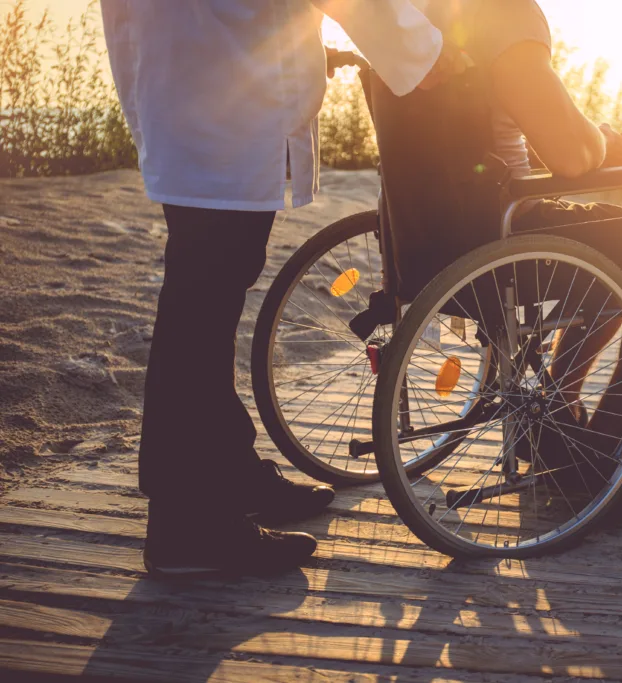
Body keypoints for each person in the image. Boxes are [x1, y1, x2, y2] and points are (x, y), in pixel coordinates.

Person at [99, 0, 464, 577]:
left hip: (193, 82)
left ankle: (224, 475)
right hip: (220, 96)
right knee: (201, 304)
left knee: (207, 294)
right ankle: (189, 526)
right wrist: (422, 52)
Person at [373, 0, 622, 471]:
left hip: (424, 240)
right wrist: (606, 143)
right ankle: (602, 448)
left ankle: (558, 411)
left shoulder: (408, 16)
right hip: (504, 235)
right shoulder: (505, 16)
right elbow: (571, 155)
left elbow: (466, 148)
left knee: (603, 250)